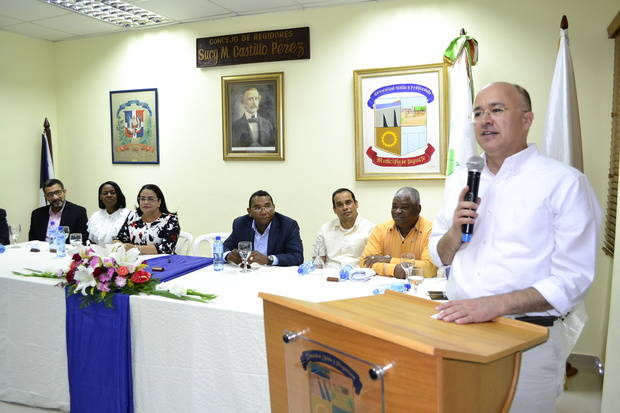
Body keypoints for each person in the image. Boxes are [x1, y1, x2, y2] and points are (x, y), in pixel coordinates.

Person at [429, 82, 601, 413]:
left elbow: (573, 278)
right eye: (478, 113)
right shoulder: (459, 179)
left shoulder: (563, 183)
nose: (484, 120)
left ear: (526, 119)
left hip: (528, 339)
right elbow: (438, 254)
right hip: (458, 331)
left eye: (497, 110)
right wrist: (453, 231)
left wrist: (494, 305)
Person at [359, 187, 436, 278]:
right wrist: (394, 270)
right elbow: (365, 263)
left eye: (404, 207)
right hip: (385, 286)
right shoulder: (380, 230)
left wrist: (389, 260)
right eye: (394, 207)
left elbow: (429, 269)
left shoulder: (430, 231)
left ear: (418, 209)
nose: (398, 211)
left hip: (419, 287)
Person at [223, 190, 303, 267]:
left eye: (267, 206)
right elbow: (223, 247)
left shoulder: (288, 225)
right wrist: (228, 255)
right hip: (248, 273)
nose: (264, 212)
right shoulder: (241, 224)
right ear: (249, 212)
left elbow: (297, 257)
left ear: (274, 208)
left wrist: (268, 259)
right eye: (257, 208)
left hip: (276, 275)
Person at [314, 188, 374, 269]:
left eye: (348, 202)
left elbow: (372, 261)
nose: (345, 207)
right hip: (328, 277)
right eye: (339, 205)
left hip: (357, 277)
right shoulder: (325, 229)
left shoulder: (369, 229)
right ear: (334, 210)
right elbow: (318, 261)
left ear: (356, 204)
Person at [115, 184, 180, 254]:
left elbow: (166, 249)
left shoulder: (171, 220)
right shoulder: (132, 216)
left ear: (159, 202)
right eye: (142, 199)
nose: (146, 202)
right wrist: (119, 246)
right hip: (134, 262)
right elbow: (118, 240)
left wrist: (134, 249)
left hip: (162, 262)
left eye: (151, 199)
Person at [28, 179, 88, 243]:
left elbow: (83, 240)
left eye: (58, 192)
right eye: (50, 194)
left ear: (64, 192)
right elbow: (33, 240)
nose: (55, 197)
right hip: (43, 251)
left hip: (66, 251)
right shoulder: (37, 214)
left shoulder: (78, 212)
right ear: (46, 197)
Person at [87, 181, 130, 245]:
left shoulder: (128, 215)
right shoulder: (95, 216)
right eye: (105, 193)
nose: (109, 195)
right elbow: (91, 241)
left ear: (118, 195)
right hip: (98, 253)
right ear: (100, 197)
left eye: (112, 193)